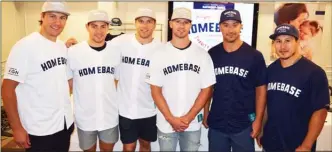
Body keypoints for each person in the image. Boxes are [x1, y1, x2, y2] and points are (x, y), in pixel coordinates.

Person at [1, 2, 74, 151]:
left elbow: (63, 82)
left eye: (62, 18)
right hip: (39, 129)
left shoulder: (61, 47)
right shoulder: (24, 46)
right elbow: (7, 89)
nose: (57, 22)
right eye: (52, 16)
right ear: (42, 17)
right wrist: (17, 128)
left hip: (64, 124)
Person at [146, 7, 216, 151]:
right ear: (171, 24)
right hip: (166, 123)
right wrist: (171, 119)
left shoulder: (202, 55)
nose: (181, 26)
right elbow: (155, 90)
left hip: (192, 124)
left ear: (191, 25)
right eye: (178, 21)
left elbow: (207, 89)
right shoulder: (159, 54)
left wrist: (189, 117)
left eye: (186, 22)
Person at [258, 24, 329, 152]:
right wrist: (262, 130)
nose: (283, 46)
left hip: (297, 146)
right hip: (270, 144)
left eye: (288, 41)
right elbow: (268, 105)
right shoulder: (271, 70)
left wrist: (306, 146)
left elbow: (320, 111)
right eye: (278, 41)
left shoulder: (314, 73)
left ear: (298, 42)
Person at [204, 9, 267, 152]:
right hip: (217, 123)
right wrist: (206, 111)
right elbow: (208, 87)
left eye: (235, 25)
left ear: (241, 26)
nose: (230, 29)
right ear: (220, 27)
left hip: (244, 125)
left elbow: (261, 91)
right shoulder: (212, 54)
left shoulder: (254, 56)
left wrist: (258, 121)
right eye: (226, 25)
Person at [67, 10, 120, 151]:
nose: (99, 30)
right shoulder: (74, 52)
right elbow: (69, 85)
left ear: (108, 27)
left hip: (109, 116)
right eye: (94, 26)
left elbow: (117, 81)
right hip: (85, 117)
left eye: (103, 26)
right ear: (87, 27)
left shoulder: (115, 51)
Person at [109, 8, 162, 151]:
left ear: (154, 24)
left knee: (145, 144)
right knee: (129, 147)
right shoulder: (119, 42)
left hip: (149, 109)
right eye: (141, 21)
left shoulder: (161, 49)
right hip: (126, 109)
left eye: (149, 21)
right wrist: (73, 46)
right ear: (135, 23)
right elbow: (97, 47)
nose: (144, 26)